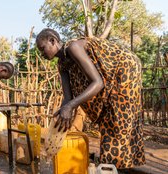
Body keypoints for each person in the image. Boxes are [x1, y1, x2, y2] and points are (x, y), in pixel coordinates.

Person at [36, 28, 145, 169]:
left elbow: (98, 83)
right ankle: (111, 167)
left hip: (124, 69)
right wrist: (63, 110)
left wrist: (69, 107)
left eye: (42, 48)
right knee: (108, 122)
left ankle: (113, 167)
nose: (42, 54)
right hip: (108, 79)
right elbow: (68, 97)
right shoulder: (62, 64)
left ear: (53, 40)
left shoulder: (74, 47)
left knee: (116, 121)